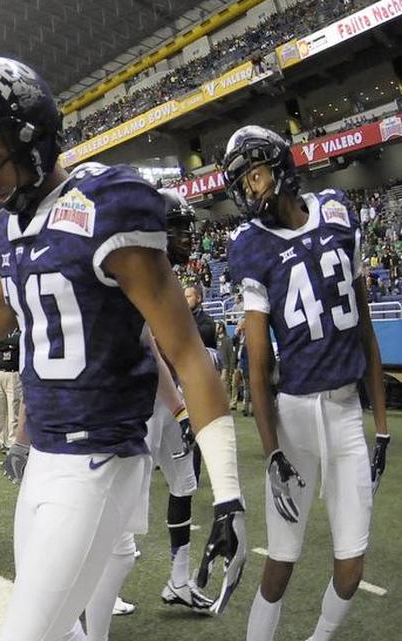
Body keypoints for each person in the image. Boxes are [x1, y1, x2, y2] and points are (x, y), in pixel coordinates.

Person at [0, 56, 246, 641]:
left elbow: (187, 352)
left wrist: (227, 491)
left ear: (31, 137)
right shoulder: (11, 229)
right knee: (58, 626)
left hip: (100, 456)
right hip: (47, 455)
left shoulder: (106, 206)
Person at [222, 125, 390, 641]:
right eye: (243, 184)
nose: (251, 191)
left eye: (254, 176)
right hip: (294, 416)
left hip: (344, 413)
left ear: (279, 167)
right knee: (283, 560)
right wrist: (272, 452)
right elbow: (256, 365)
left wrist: (380, 426)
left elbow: (364, 329)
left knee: (351, 563)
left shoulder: (338, 212)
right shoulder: (250, 247)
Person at [186, 282, 217, 349]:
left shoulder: (208, 322)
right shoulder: (182, 319)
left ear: (199, 298)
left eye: (188, 297)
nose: (185, 300)